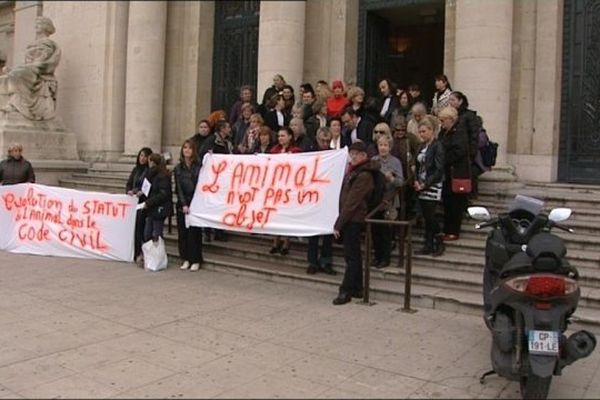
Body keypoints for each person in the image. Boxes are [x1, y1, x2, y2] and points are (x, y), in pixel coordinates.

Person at [332, 141, 380, 305]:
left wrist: (339, 223)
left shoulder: (364, 175)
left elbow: (352, 201)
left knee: (351, 256)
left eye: (355, 154)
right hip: (351, 216)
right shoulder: (355, 172)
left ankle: (345, 290)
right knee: (353, 255)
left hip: (354, 218)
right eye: (351, 153)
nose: (352, 157)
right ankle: (358, 287)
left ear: (363, 156)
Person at [1, 17, 61, 120]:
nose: (36, 26)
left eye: (39, 24)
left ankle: (18, 105)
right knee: (5, 77)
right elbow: (28, 62)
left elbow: (46, 62)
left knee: (16, 74)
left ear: (45, 27)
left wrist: (27, 68)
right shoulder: (33, 44)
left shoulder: (51, 44)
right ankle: (15, 104)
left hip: (40, 71)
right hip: (30, 70)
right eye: (36, 24)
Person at [306, 127, 336, 276]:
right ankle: (312, 261)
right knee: (313, 233)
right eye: (322, 140)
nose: (325, 143)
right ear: (317, 139)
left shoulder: (334, 154)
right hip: (313, 198)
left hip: (328, 198)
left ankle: (326, 261)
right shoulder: (311, 153)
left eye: (327, 140)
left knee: (328, 233)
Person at [414, 115, 445, 256]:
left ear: (432, 130)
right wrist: (416, 180)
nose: (421, 134)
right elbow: (416, 165)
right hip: (421, 182)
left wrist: (426, 184)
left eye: (424, 131)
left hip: (432, 184)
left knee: (431, 215)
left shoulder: (437, 146)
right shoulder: (421, 146)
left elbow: (439, 169)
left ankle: (438, 240)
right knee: (426, 215)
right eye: (420, 132)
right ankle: (427, 244)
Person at [371, 134, 404, 268]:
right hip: (375, 201)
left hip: (389, 200)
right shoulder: (373, 160)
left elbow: (401, 182)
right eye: (380, 145)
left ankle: (385, 258)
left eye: (385, 145)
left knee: (386, 232)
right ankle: (377, 256)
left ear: (390, 147)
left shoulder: (395, 162)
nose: (383, 148)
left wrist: (391, 179)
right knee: (375, 231)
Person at [438, 106, 470, 241]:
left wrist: (444, 158)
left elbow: (459, 151)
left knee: (455, 204)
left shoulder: (459, 132)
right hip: (447, 174)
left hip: (456, 173)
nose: (441, 123)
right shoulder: (444, 132)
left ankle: (453, 231)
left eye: (443, 120)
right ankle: (447, 229)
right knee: (447, 203)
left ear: (450, 120)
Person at [269, 127, 302, 255]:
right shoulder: (274, 151)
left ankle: (286, 242)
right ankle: (275, 241)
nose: (280, 138)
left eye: (283, 135)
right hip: (276, 187)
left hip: (289, 188)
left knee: (287, 215)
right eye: (279, 136)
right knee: (275, 215)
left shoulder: (296, 151)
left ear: (290, 137)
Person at [199, 120, 233, 242]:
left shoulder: (228, 142)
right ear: (222, 129)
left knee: (220, 206)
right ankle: (207, 231)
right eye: (228, 127)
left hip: (223, 179)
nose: (230, 129)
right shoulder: (212, 140)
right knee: (211, 205)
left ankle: (219, 230)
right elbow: (202, 154)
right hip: (213, 179)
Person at [174, 140, 203, 271]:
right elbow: (178, 187)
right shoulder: (178, 168)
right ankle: (185, 258)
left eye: (189, 148)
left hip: (195, 202)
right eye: (184, 148)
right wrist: (184, 203)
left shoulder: (198, 166)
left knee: (194, 234)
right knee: (183, 233)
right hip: (183, 203)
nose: (187, 150)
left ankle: (196, 259)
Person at [126, 147, 152, 265]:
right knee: (134, 228)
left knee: (140, 229)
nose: (142, 158)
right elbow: (129, 184)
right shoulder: (135, 170)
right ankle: (135, 252)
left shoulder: (149, 171)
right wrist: (129, 191)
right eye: (141, 155)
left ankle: (140, 253)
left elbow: (148, 187)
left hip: (143, 203)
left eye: (145, 156)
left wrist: (141, 192)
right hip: (133, 202)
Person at [141, 153, 173, 244]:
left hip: (159, 207)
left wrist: (149, 202)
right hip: (152, 207)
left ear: (152, 162)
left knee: (157, 233)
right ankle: (151, 254)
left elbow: (163, 194)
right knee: (147, 233)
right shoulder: (150, 174)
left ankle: (158, 255)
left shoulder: (162, 176)